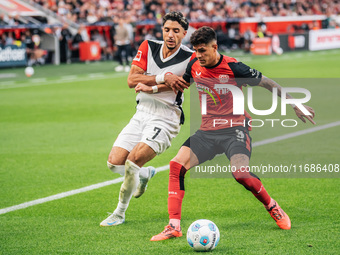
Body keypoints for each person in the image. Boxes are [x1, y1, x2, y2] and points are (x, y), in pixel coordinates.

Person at [151, 26, 316, 241]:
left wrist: (295, 104)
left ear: (214, 47)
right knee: (176, 165)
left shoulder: (234, 67)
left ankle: (272, 205)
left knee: (241, 175)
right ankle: (173, 226)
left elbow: (267, 83)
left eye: (203, 51)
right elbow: (181, 85)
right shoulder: (194, 64)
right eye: (196, 51)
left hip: (235, 130)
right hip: (207, 132)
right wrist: (151, 88)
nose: (198, 55)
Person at [100, 11, 195, 227]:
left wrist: (151, 87)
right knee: (114, 163)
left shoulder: (190, 57)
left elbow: (181, 84)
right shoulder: (148, 46)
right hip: (141, 113)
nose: (170, 35)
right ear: (162, 30)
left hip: (166, 117)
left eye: (176, 31)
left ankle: (119, 213)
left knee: (132, 162)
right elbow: (132, 79)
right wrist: (163, 77)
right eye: (167, 30)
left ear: (184, 34)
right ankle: (145, 174)